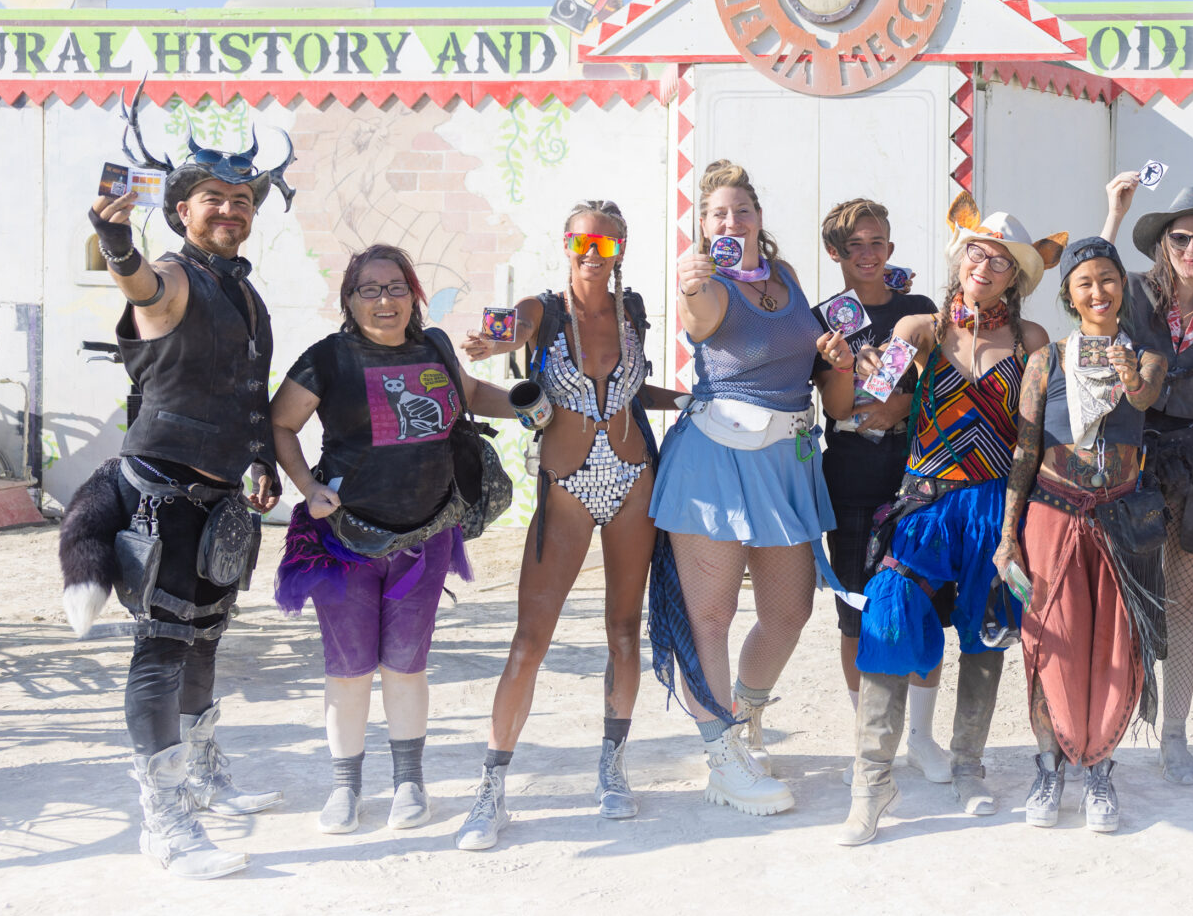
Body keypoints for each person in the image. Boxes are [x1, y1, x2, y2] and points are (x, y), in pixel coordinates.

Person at [60, 101, 296, 878]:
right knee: (161, 653)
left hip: (224, 503)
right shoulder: (173, 277)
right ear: (181, 209)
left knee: (208, 642)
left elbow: (248, 391)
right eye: (213, 199)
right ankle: (162, 821)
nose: (231, 210)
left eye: (242, 200)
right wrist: (117, 240)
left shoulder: (249, 295)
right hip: (160, 497)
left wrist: (261, 461)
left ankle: (199, 777)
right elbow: (139, 285)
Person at [449, 201, 681, 849]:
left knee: (624, 632)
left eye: (604, 245)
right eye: (581, 242)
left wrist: (695, 400)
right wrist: (497, 341)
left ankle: (611, 768)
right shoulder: (543, 310)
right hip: (567, 489)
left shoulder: (632, 311)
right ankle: (490, 791)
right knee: (530, 641)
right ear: (565, 243)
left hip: (635, 482)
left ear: (621, 249)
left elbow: (634, 394)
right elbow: (509, 329)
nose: (591, 254)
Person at [834, 196, 1059, 845]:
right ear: (959, 260)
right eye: (976, 252)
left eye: (999, 259)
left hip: (993, 505)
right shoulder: (921, 331)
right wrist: (861, 371)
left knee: (986, 632)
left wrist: (1013, 530)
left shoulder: (1030, 343)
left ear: (1015, 276)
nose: (983, 265)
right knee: (890, 612)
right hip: (926, 502)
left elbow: (1028, 443)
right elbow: (872, 404)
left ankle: (967, 768)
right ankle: (871, 779)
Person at [269, 245, 517, 834]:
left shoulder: (434, 347)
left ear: (413, 294)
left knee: (407, 665)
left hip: (426, 535)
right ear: (349, 302)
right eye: (369, 290)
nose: (385, 300)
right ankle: (345, 790)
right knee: (349, 668)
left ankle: (410, 784)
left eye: (396, 287)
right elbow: (280, 423)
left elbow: (473, 394)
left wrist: (533, 408)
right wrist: (306, 486)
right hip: (344, 539)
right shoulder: (327, 359)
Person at [648, 160, 848, 817]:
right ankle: (721, 756)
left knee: (789, 614)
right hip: (716, 461)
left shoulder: (784, 278)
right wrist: (689, 284)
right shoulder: (706, 286)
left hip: (786, 463)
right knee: (710, 616)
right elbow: (699, 317)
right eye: (716, 215)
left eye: (740, 210)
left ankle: (744, 716)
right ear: (703, 229)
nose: (730, 222)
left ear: (758, 217)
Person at [997, 237, 1168, 832]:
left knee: (1113, 645)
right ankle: (1049, 768)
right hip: (1051, 514)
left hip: (1118, 520)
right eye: (1084, 283)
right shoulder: (1047, 360)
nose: (1098, 291)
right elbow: (1025, 447)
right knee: (1051, 645)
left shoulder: (1145, 357)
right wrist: (1008, 533)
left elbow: (1146, 396)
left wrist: (1127, 372)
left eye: (1108, 279)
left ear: (1123, 285)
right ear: (1069, 295)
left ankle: (1100, 772)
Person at [1099, 174, 1193, 784]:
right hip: (1128, 464)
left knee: (1185, 599)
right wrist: (1113, 213)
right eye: (1181, 238)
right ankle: (1107, 728)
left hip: (1191, 468)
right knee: (1121, 597)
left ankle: (1175, 735)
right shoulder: (1131, 296)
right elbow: (1087, 280)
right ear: (1164, 243)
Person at [810, 199, 939, 776]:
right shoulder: (824, 318)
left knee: (923, 606)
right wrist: (853, 387)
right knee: (855, 610)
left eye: (878, 243)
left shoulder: (920, 308)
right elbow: (835, 405)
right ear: (834, 252)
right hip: (852, 476)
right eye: (855, 245)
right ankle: (869, 732)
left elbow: (942, 391)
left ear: (891, 246)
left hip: (918, 478)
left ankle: (920, 737)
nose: (869, 254)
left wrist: (897, 408)